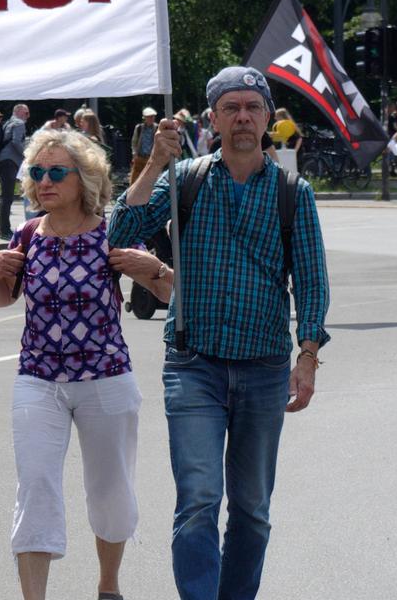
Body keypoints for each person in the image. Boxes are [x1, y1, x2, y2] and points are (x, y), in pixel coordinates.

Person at [111, 66, 330, 600]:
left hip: (264, 367)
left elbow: (312, 281)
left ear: (267, 120)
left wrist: (307, 356)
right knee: (199, 499)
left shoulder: (291, 192)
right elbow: (119, 231)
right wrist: (155, 164)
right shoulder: (184, 178)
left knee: (252, 509)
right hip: (194, 364)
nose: (242, 118)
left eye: (252, 108)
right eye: (231, 108)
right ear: (212, 119)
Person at [0, 128, 167, 600]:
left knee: (109, 488)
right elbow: (4, 298)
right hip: (38, 378)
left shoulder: (113, 233)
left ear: (83, 178)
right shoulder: (26, 235)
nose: (44, 181)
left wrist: (156, 271)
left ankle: (108, 586)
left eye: (56, 172)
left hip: (105, 378)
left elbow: (170, 295)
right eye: (37, 172)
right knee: (36, 484)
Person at [0, 104, 31, 239]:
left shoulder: (7, 123)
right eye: (26, 113)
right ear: (18, 112)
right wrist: (26, 154)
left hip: (2, 160)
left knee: (5, 196)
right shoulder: (19, 123)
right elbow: (16, 142)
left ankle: (4, 229)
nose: (28, 116)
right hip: (10, 161)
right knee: (7, 197)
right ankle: (4, 230)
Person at [129, 107, 159, 186]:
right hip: (139, 157)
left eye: (153, 116)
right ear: (145, 118)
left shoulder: (157, 128)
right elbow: (134, 141)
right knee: (134, 180)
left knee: (150, 181)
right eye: (149, 117)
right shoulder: (139, 128)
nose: (152, 118)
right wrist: (134, 154)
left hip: (151, 158)